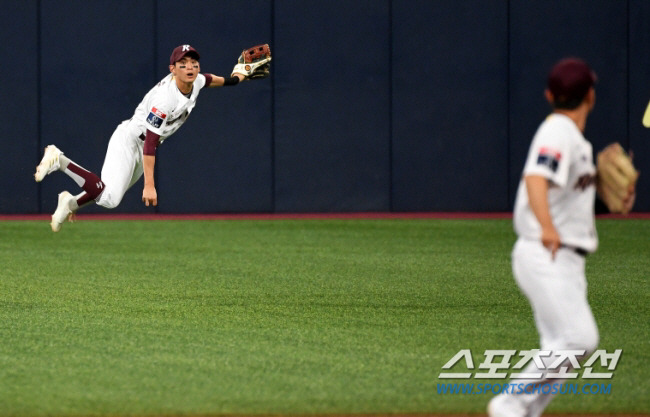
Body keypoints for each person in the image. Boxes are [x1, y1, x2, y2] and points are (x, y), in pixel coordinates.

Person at [487, 58, 635, 417]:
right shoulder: (557, 132)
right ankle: (508, 402)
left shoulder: (572, 139)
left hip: (562, 256)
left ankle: (525, 411)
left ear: (550, 94)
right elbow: (536, 178)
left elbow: (568, 202)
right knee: (580, 339)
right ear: (591, 96)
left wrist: (604, 201)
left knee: (563, 347)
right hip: (545, 252)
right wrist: (548, 227)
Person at [34, 44, 250, 231]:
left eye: (194, 62)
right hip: (130, 140)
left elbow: (213, 80)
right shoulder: (165, 99)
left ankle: (69, 202)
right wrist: (149, 184)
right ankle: (59, 160)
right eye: (182, 64)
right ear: (172, 70)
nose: (190, 67)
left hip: (141, 145)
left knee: (108, 191)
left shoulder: (197, 81)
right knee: (109, 199)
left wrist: (239, 77)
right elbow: (150, 143)